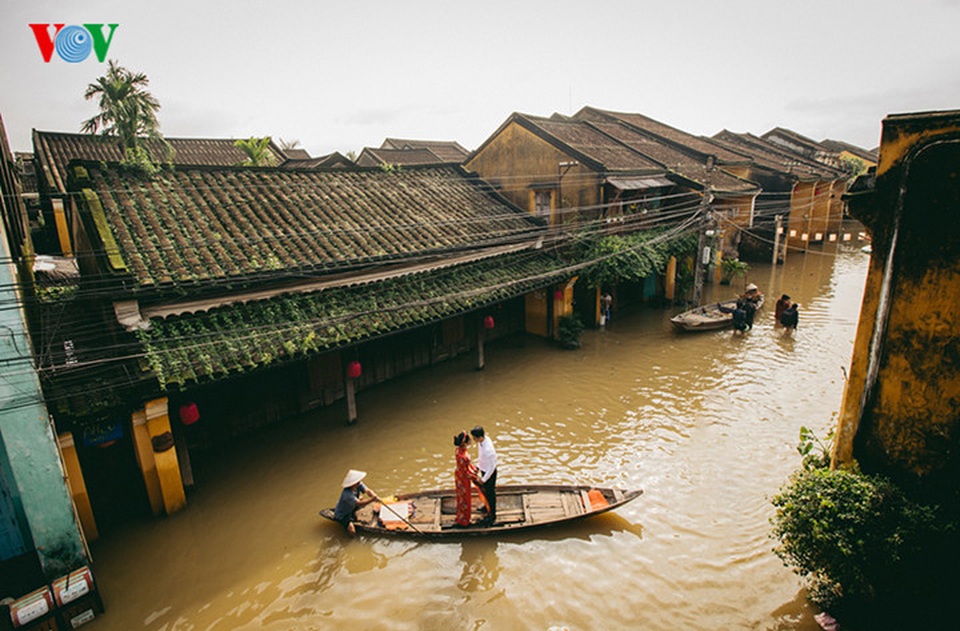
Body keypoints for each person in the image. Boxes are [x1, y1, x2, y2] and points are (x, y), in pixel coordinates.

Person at [333, 469, 379, 536]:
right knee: (352, 530)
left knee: (361, 498)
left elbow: (368, 490)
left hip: (352, 506)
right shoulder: (347, 494)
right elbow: (359, 503)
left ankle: (355, 510)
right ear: (353, 483)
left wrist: (375, 496)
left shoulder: (358, 484)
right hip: (343, 514)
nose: (359, 482)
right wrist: (372, 500)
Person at [470, 425, 497, 525]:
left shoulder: (489, 450)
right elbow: (481, 457)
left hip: (489, 473)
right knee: (485, 491)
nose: (473, 440)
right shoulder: (482, 442)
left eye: (474, 438)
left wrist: (484, 479)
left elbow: (492, 466)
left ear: (479, 437)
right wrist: (478, 467)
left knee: (490, 493)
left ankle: (492, 516)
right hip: (484, 469)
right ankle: (486, 507)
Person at [453, 430, 481, 527]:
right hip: (462, 478)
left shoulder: (461, 449)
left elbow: (467, 465)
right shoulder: (462, 456)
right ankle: (464, 520)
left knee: (462, 497)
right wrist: (474, 477)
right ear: (465, 442)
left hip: (460, 475)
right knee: (465, 499)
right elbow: (464, 471)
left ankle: (461, 516)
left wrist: (474, 470)